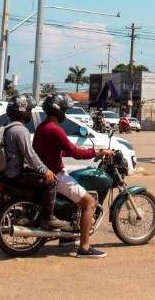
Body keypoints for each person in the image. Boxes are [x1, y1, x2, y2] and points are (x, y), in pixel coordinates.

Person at [34, 93, 112, 259]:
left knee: (75, 197)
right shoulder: (55, 130)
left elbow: (57, 150)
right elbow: (75, 153)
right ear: (59, 110)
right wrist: (99, 151)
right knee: (90, 203)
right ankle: (84, 247)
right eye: (65, 109)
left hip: (46, 172)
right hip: (57, 176)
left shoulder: (42, 127)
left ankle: (67, 237)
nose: (66, 113)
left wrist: (80, 151)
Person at [0, 95, 61, 229]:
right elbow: (31, 155)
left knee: (37, 178)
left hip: (6, 171)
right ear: (24, 110)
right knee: (51, 181)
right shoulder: (21, 130)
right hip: (15, 173)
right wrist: (45, 170)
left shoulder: (7, 126)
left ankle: (32, 211)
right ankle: (48, 217)